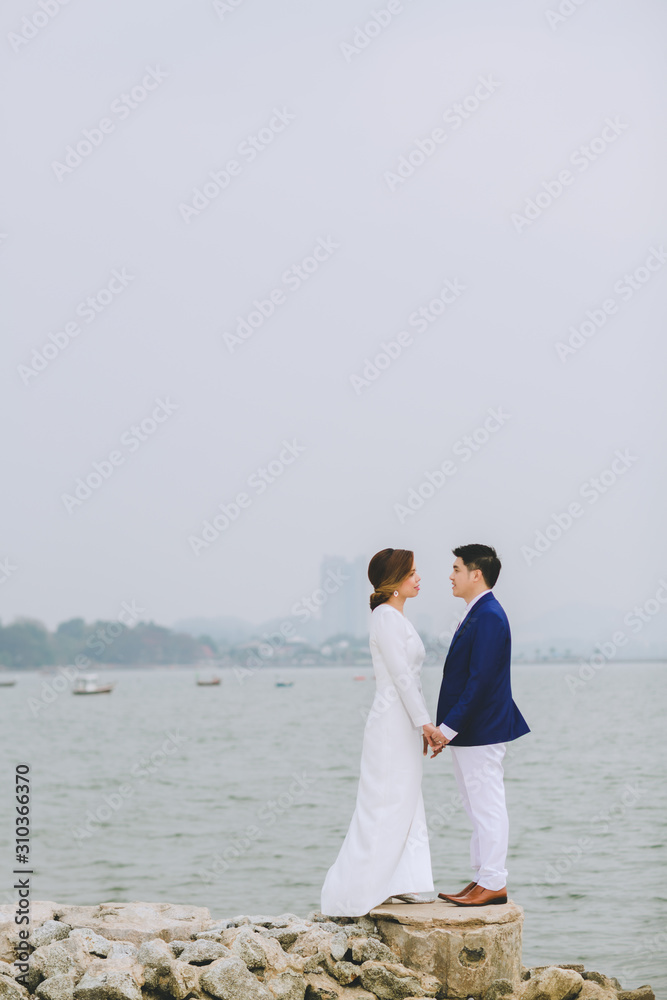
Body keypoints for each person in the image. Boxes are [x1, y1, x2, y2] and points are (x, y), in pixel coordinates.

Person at [320, 548, 442, 917]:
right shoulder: (386, 618)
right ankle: (356, 891)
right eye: (412, 573)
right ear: (394, 581)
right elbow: (402, 677)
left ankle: (399, 881)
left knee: (405, 800)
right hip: (391, 725)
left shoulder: (396, 617)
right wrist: (426, 723)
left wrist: (420, 723)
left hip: (404, 722)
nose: (419, 578)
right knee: (384, 802)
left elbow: (412, 682)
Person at [430, 544, 530, 907]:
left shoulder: (488, 614)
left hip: (481, 728)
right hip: (472, 729)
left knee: (487, 804)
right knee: (476, 805)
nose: (450, 576)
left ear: (477, 574)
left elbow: (481, 679)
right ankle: (481, 878)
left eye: (456, 569)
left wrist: (447, 728)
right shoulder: (478, 611)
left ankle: (493, 882)